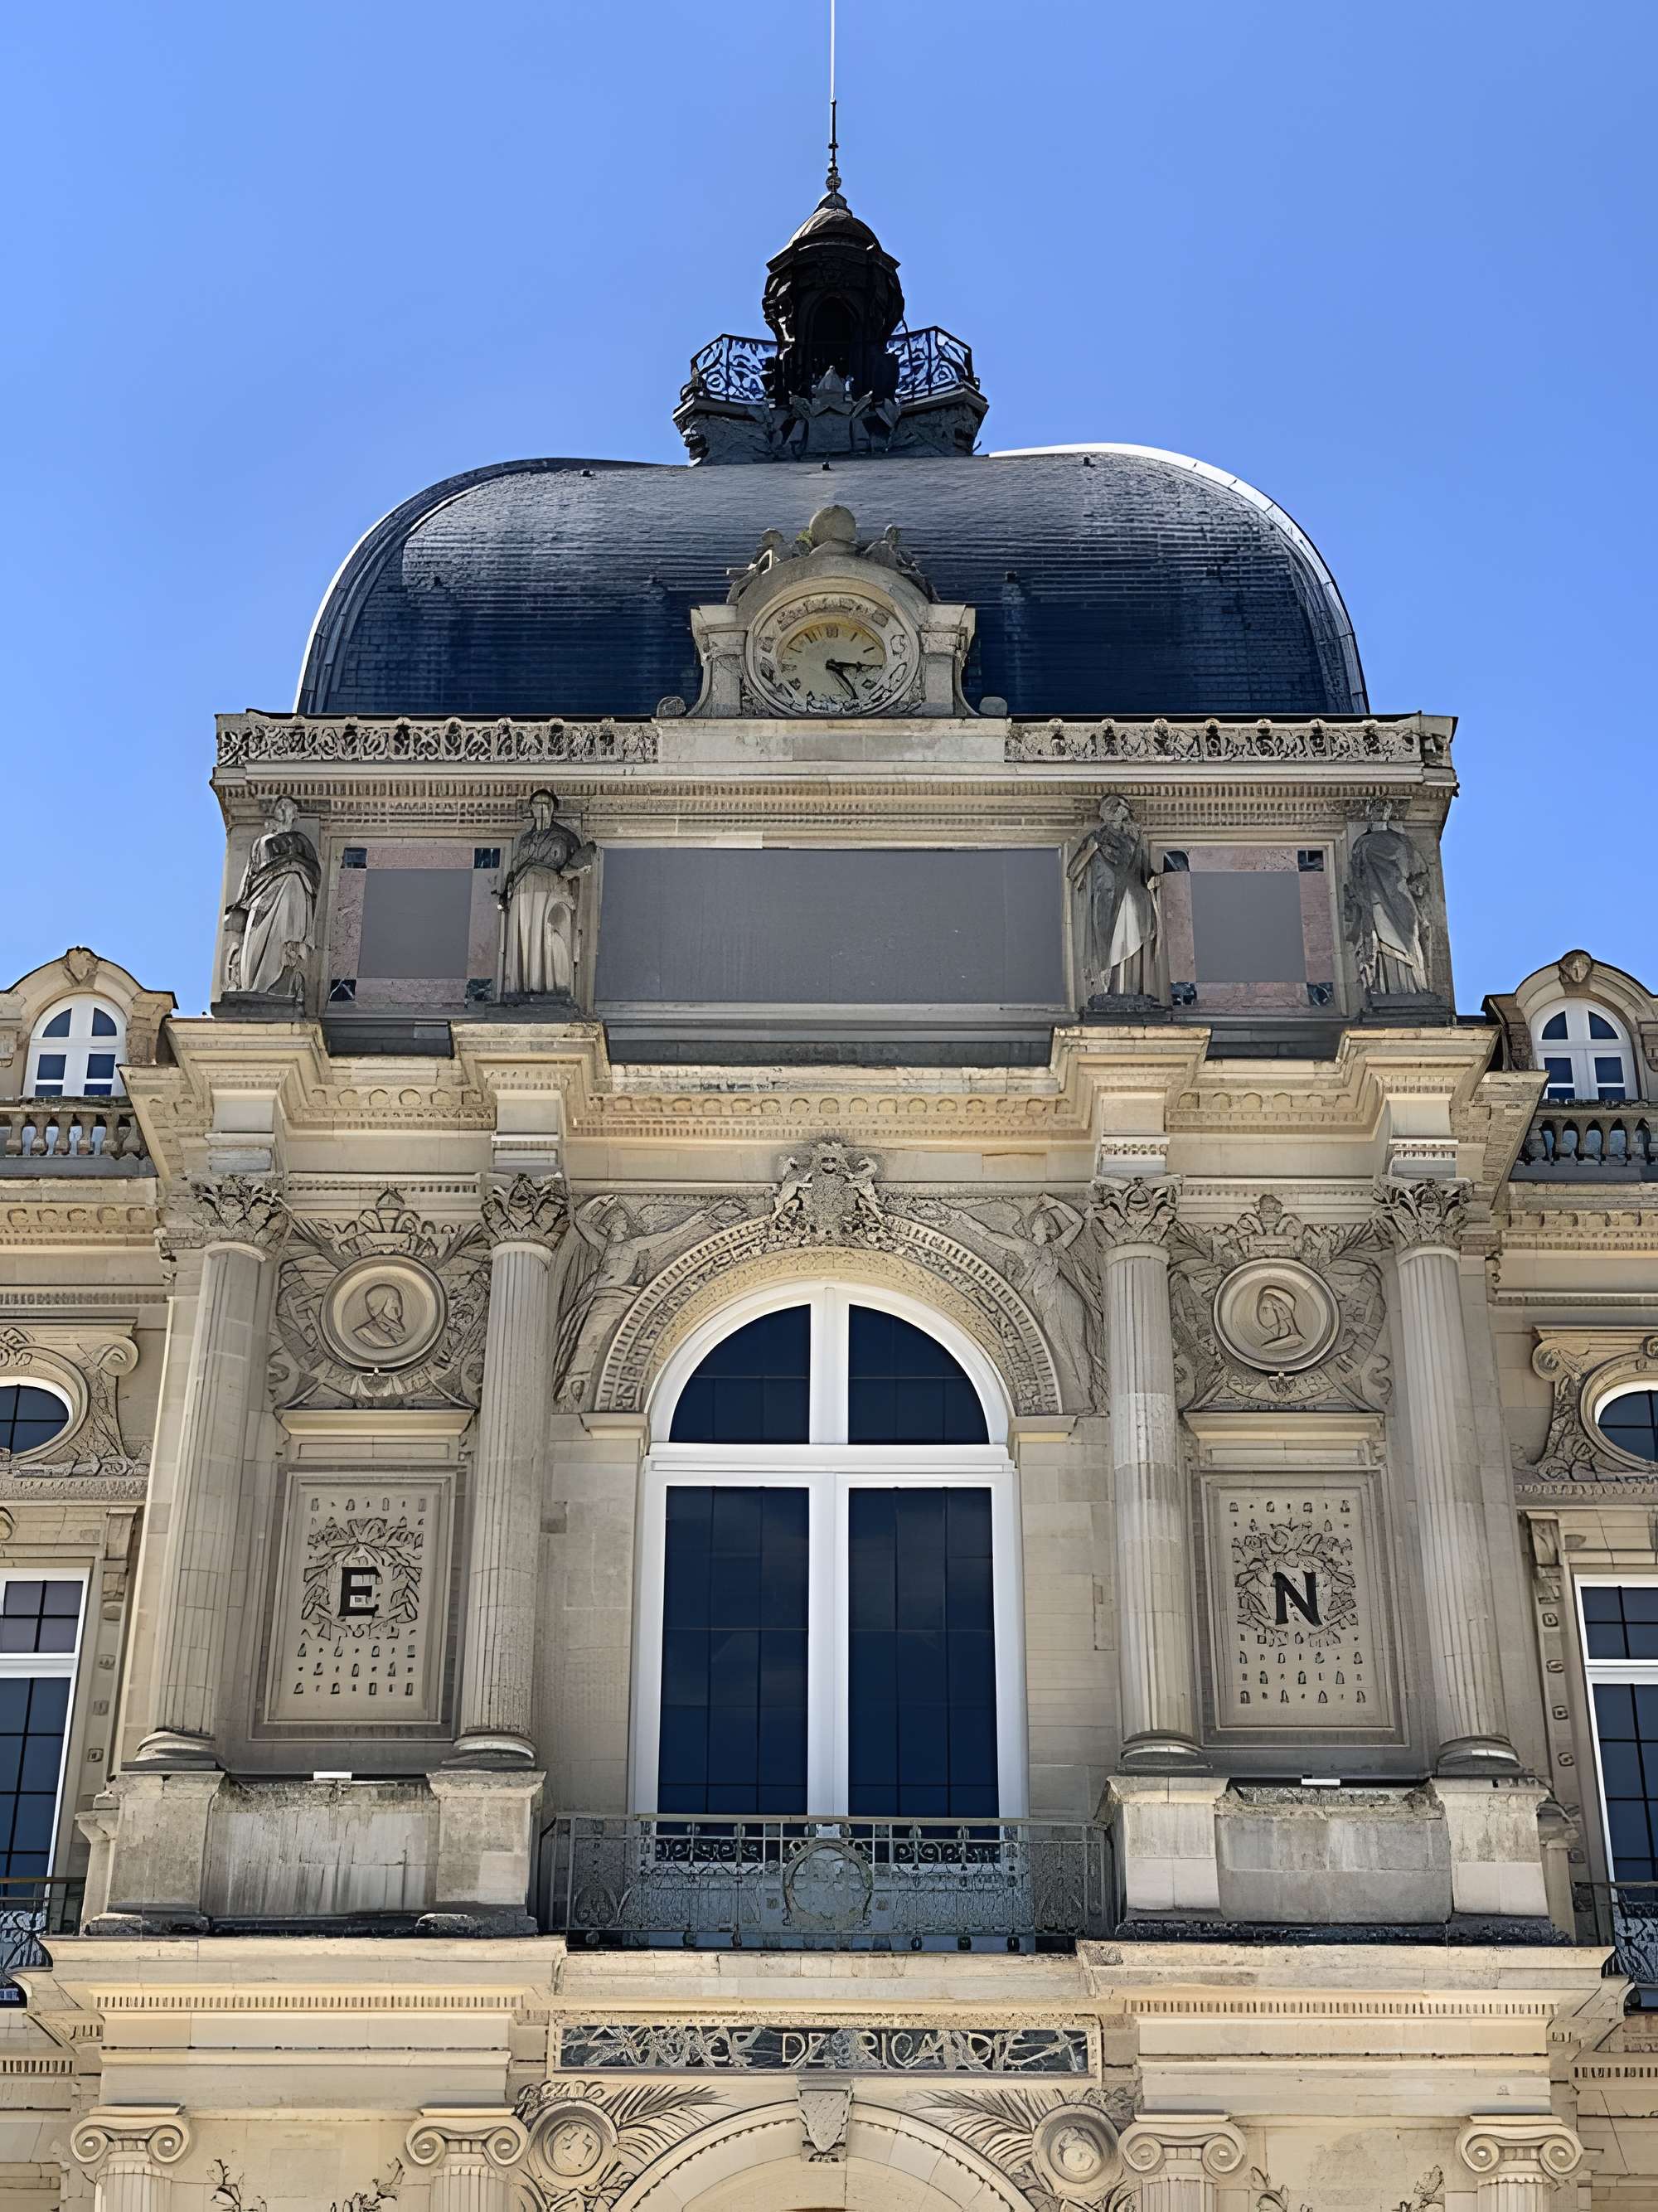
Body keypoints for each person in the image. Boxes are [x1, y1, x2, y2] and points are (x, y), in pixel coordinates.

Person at [499, 790, 596, 999]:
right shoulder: (525, 840)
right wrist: (507, 890)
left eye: (545, 804)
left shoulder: (566, 836)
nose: (541, 808)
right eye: (536, 804)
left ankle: (552, 985)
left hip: (550, 889)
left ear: (552, 808)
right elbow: (514, 869)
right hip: (522, 891)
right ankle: (523, 986)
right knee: (525, 933)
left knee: (550, 933)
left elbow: (576, 865)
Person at [225, 796, 319, 998]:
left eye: (289, 807)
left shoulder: (301, 841)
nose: (283, 809)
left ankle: (283, 978)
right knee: (255, 941)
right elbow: (250, 874)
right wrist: (239, 906)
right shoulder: (261, 842)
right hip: (262, 895)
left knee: (292, 887)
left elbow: (314, 874)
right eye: (280, 806)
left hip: (291, 893)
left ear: (296, 815)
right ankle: (251, 986)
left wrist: (293, 868)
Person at [1068, 796, 1160, 999]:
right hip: (1105, 898)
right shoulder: (1096, 838)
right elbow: (1073, 871)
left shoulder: (1132, 841)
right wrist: (1092, 850)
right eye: (1117, 807)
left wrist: (1155, 879)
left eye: (1123, 807)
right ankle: (1104, 990)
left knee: (1130, 939)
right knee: (1105, 945)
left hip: (1130, 897)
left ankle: (1127, 990)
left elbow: (1144, 871)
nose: (1121, 811)